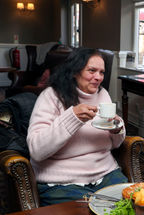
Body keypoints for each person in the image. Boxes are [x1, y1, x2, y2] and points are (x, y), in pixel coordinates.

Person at [26, 48, 126, 206]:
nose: (98, 77)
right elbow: (37, 150)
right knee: (91, 210)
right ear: (74, 72)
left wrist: (117, 128)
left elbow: (116, 143)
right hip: (62, 182)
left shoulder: (103, 94)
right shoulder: (51, 96)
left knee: (133, 204)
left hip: (106, 174)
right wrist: (72, 118)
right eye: (92, 71)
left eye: (101, 72)